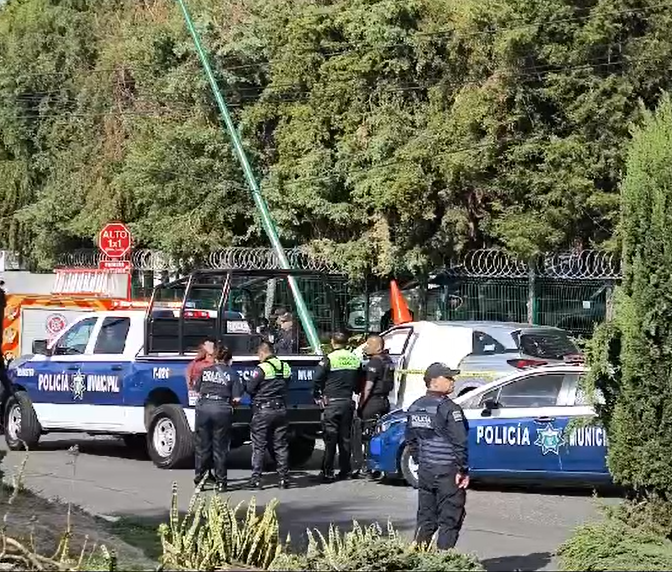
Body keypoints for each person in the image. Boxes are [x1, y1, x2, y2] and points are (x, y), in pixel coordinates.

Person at [406, 363, 470, 550]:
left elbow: (411, 440)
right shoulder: (449, 408)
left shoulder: (416, 405)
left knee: (426, 518)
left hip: (426, 471)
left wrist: (421, 461)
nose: (453, 381)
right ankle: (444, 560)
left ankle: (416, 559)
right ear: (434, 381)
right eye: (448, 378)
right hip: (447, 472)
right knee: (450, 518)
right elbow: (460, 441)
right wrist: (462, 470)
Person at [193, 344, 243, 493]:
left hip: (204, 409)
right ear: (229, 360)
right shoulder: (232, 374)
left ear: (215, 357)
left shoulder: (205, 371)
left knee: (203, 446)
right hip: (221, 410)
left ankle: (200, 479)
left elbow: (197, 390)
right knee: (220, 448)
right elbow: (237, 398)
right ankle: (221, 482)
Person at [313, 332, 362, 482]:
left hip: (332, 404)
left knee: (330, 439)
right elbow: (359, 381)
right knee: (345, 439)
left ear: (333, 342)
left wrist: (317, 395)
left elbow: (316, 379)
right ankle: (345, 471)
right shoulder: (354, 358)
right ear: (347, 342)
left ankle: (327, 473)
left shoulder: (329, 359)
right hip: (347, 402)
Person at [246, 341, 292, 489]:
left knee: (259, 445)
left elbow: (250, 388)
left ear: (262, 353)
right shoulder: (285, 367)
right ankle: (284, 478)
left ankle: (256, 479)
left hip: (263, 411)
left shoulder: (261, 369)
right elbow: (287, 383)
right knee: (280, 444)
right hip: (281, 409)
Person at [353, 335, 395, 477]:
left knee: (367, 436)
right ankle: (380, 466)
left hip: (373, 402)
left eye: (369, 344)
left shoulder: (374, 363)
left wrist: (361, 405)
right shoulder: (387, 361)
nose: (366, 347)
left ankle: (369, 468)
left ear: (378, 347)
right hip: (384, 402)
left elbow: (368, 387)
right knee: (381, 435)